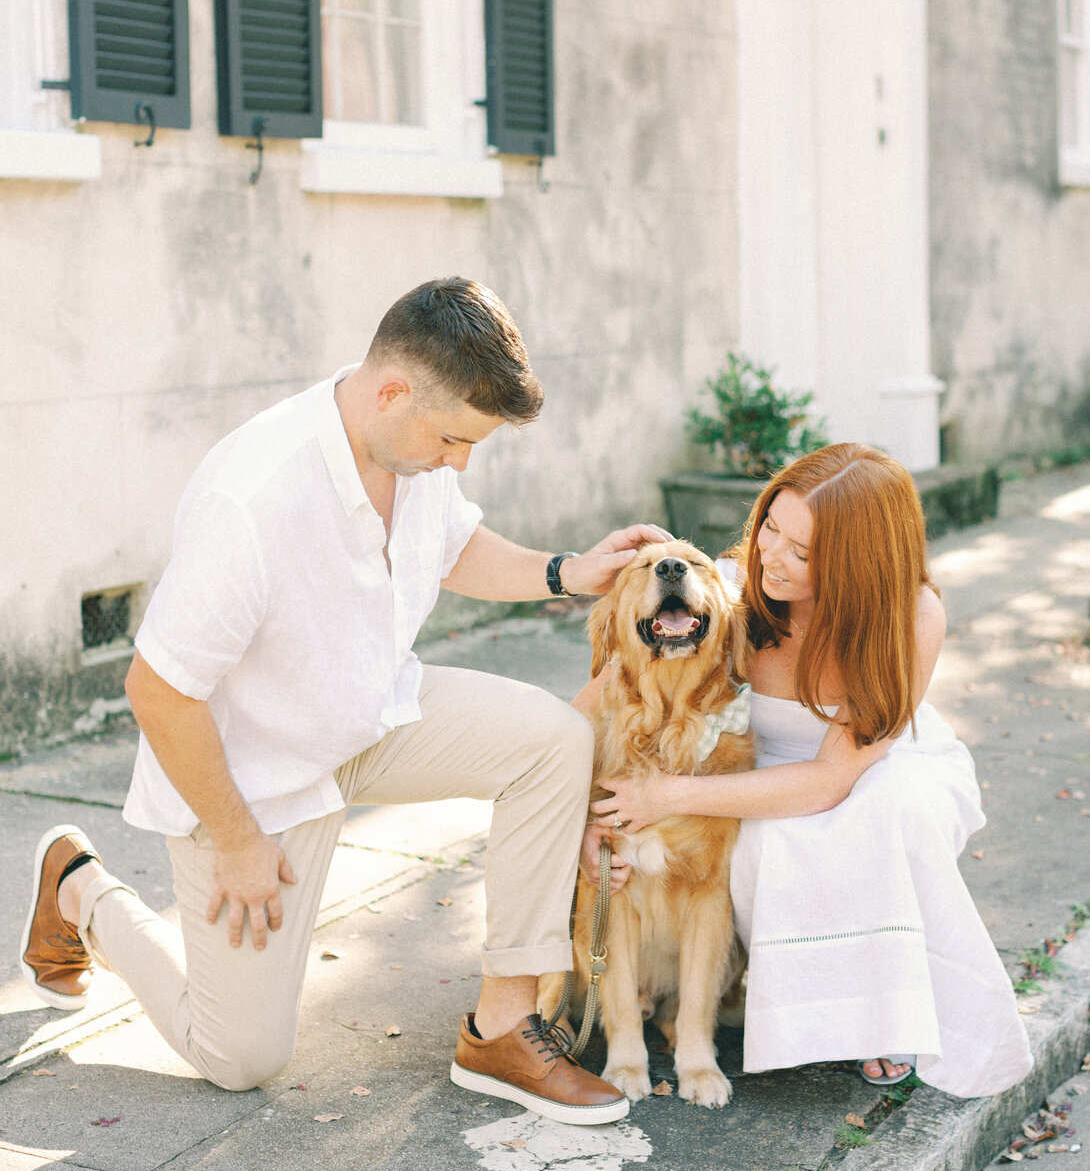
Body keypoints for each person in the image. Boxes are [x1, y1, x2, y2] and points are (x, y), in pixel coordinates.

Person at [20, 278, 670, 1124]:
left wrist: (566, 571)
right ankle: (80, 890)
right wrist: (239, 839)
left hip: (372, 718)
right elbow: (157, 691)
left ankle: (504, 1029)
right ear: (392, 391)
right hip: (250, 775)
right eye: (453, 439)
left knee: (551, 739)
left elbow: (457, 544)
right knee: (241, 1057)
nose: (460, 460)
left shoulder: (409, 442)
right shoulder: (252, 500)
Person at [589, 443, 1033, 1098]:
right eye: (772, 526)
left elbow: (831, 780)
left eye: (804, 553)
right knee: (757, 845)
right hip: (755, 767)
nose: (773, 557)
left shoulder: (910, 615)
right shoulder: (734, 589)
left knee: (880, 814)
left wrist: (670, 794)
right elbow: (601, 697)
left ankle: (887, 1012)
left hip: (875, 770)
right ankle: (804, 1012)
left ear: (861, 565)